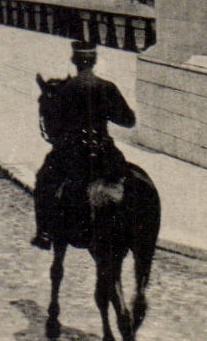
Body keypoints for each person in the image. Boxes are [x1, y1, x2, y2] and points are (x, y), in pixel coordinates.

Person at [31, 40, 137, 249]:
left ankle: (44, 233)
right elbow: (128, 120)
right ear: (94, 61)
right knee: (129, 179)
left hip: (72, 154)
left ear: (75, 61)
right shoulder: (107, 87)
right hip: (104, 152)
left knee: (44, 180)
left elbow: (55, 128)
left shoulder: (64, 90)